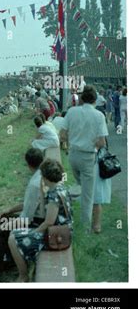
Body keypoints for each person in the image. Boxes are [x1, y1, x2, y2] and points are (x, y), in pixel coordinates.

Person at [8, 159, 73, 282]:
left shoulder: (54, 196)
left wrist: (34, 232)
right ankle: (25, 270)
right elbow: (44, 215)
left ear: (45, 177)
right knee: (16, 234)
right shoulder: (61, 189)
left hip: (56, 236)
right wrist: (43, 195)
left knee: (12, 238)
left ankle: (23, 276)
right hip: (60, 232)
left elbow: (48, 221)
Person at [0, 148, 45, 273]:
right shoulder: (41, 175)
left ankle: (2, 266)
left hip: (36, 222)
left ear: (27, 163)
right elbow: (28, 204)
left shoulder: (34, 183)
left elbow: (26, 219)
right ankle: (7, 259)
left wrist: (7, 224)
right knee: (4, 219)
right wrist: (9, 210)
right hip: (38, 217)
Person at [60, 86, 108, 227]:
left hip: (73, 154)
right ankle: (86, 226)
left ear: (81, 98)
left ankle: (69, 211)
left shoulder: (71, 112)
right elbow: (101, 142)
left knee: (80, 185)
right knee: (88, 195)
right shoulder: (99, 116)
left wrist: (71, 144)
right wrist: (92, 147)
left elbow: (62, 135)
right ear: (95, 100)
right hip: (88, 156)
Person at [93, 141, 112, 234]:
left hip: (96, 162)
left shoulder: (98, 126)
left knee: (96, 196)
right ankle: (94, 224)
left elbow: (102, 142)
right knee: (93, 196)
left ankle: (97, 226)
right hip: (93, 161)